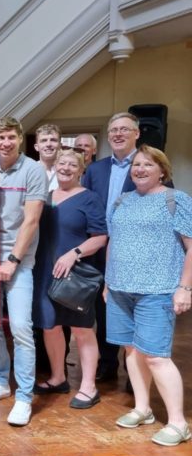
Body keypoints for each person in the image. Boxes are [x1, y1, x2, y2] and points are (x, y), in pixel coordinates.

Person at [105, 145, 191, 446]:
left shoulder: (175, 200)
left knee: (156, 356)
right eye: (136, 165)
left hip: (158, 290)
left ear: (162, 171)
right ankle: (142, 409)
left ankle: (179, 423)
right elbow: (113, 243)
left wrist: (185, 287)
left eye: (148, 165)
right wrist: (107, 282)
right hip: (119, 288)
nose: (140, 169)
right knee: (131, 350)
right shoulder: (122, 200)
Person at [0, 117, 47, 427]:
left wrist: (13, 260)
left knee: (20, 327)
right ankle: (1, 381)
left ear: (20, 138)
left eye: (10, 137)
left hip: (18, 260)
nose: (5, 143)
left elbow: (31, 221)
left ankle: (24, 397)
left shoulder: (33, 170)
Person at [32, 150, 108, 409]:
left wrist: (73, 254)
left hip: (75, 274)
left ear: (81, 170)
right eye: (61, 163)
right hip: (44, 273)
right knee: (50, 327)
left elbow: (100, 237)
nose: (65, 167)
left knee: (82, 330)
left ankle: (89, 386)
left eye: (72, 164)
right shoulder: (46, 197)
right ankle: (58, 377)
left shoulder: (90, 198)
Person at [81, 112, 139, 383]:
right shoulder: (95, 169)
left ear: (136, 134)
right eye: (113, 129)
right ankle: (106, 363)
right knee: (103, 308)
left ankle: (134, 368)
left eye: (124, 129)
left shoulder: (147, 164)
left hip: (133, 252)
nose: (118, 134)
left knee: (132, 309)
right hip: (99, 249)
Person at [34, 124, 61, 191]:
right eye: (44, 140)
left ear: (60, 146)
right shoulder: (28, 171)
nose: (48, 144)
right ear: (36, 147)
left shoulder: (67, 172)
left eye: (53, 140)